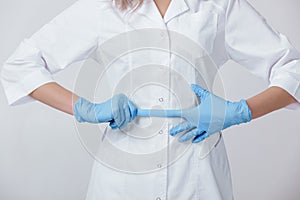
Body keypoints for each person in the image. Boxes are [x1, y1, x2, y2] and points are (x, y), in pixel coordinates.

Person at [1, 0, 300, 199]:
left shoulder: (217, 6)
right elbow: (21, 65)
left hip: (198, 175)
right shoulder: (103, 8)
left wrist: (240, 111)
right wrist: (85, 109)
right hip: (121, 178)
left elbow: (293, 67)